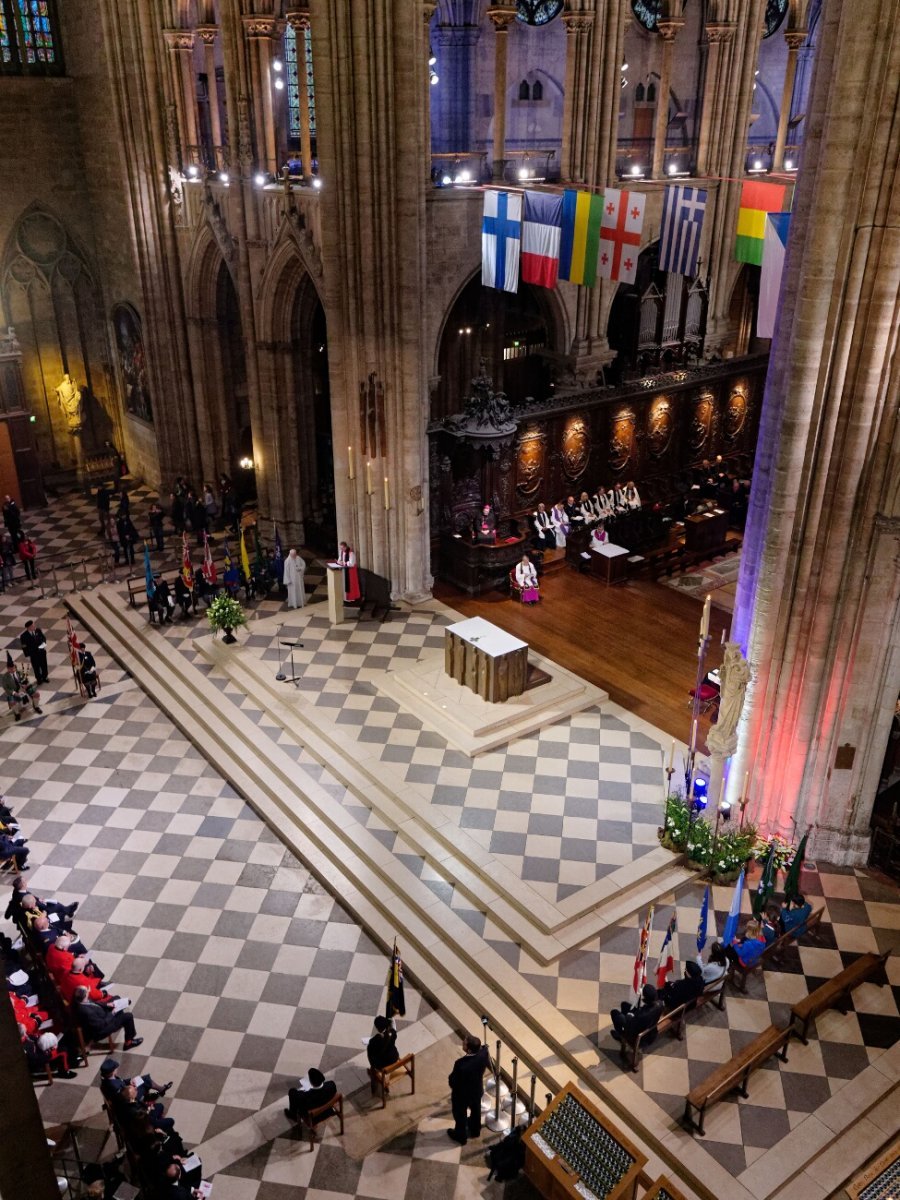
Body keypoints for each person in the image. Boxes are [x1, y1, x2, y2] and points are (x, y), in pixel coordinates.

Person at [447, 1033, 490, 1144]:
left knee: (460, 1115)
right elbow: (484, 1048)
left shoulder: (461, 1065)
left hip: (462, 1096)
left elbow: (453, 1081)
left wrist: (452, 1082)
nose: (462, 1043)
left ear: (469, 1050)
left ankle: (461, 1136)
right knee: (476, 1111)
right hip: (477, 1090)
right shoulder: (484, 1053)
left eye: (465, 1043)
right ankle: (475, 1130)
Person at [71, 984, 143, 1050]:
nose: (88, 992)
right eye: (87, 992)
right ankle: (128, 1043)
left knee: (116, 998)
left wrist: (108, 1004)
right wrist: (112, 1013)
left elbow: (95, 1004)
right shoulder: (87, 1012)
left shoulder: (78, 1000)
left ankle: (120, 1016)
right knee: (128, 1016)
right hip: (102, 1029)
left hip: (101, 1014)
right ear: (84, 996)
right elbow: (101, 1024)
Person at [2, 653, 42, 721]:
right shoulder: (5, 677)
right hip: (14, 692)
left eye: (13, 668)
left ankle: (36, 706)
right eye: (10, 668)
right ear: (8, 669)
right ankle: (17, 713)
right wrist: (14, 693)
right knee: (12, 701)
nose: (12, 670)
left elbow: (26, 680)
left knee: (37, 694)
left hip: (24, 689)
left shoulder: (19, 673)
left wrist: (26, 685)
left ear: (15, 667)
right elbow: (6, 688)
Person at [366, 1015, 399, 1093]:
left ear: (378, 1029)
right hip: (394, 1058)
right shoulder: (392, 1033)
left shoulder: (373, 1041)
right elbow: (393, 1026)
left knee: (372, 1059)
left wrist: (372, 1065)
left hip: (383, 1066)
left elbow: (370, 1056)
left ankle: (373, 1073)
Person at [20, 619, 49, 684]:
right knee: (36, 667)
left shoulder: (38, 630)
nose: (34, 626)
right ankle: (39, 679)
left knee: (44, 665)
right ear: (29, 627)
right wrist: (27, 655)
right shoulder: (24, 636)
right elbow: (24, 646)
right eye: (33, 626)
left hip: (41, 652)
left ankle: (45, 677)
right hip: (33, 654)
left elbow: (43, 638)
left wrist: (43, 644)